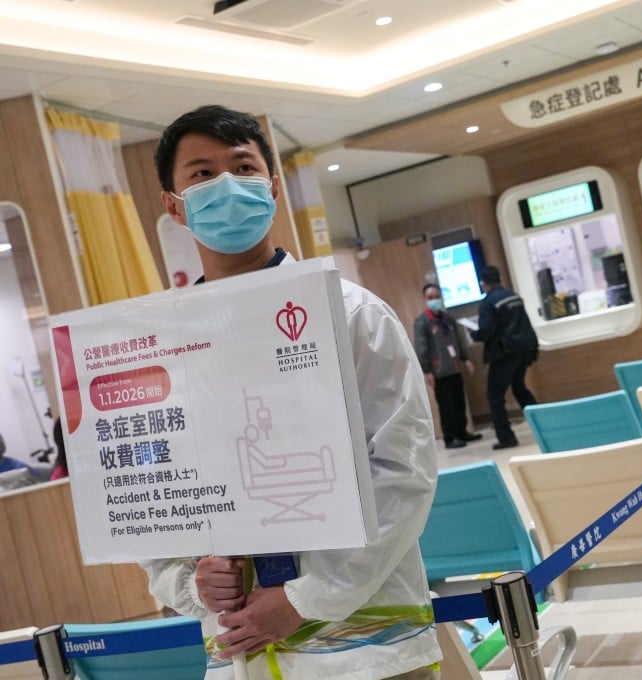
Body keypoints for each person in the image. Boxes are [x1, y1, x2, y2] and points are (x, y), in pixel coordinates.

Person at [142, 105, 440, 680]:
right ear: (173, 205)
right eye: (202, 174)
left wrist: (309, 597)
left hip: (368, 649)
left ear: (273, 187)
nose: (227, 185)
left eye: (243, 167)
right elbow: (154, 494)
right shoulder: (162, 347)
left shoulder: (350, 315)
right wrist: (189, 580)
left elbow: (405, 469)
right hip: (243, 649)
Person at [469, 265, 539, 449]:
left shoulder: (488, 303)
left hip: (504, 353)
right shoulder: (514, 296)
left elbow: (485, 331)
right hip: (524, 350)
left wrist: (473, 334)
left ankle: (506, 437)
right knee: (520, 388)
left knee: (495, 396)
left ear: (483, 283)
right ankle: (543, 423)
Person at [413, 283, 483, 449]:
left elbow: (458, 340)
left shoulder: (448, 318)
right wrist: (427, 371)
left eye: (436, 297)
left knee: (459, 402)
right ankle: (450, 437)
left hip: (454, 367)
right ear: (425, 300)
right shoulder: (422, 322)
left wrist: (466, 359)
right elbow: (421, 347)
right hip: (439, 371)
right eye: (430, 298)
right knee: (447, 406)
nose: (434, 300)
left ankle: (462, 432)